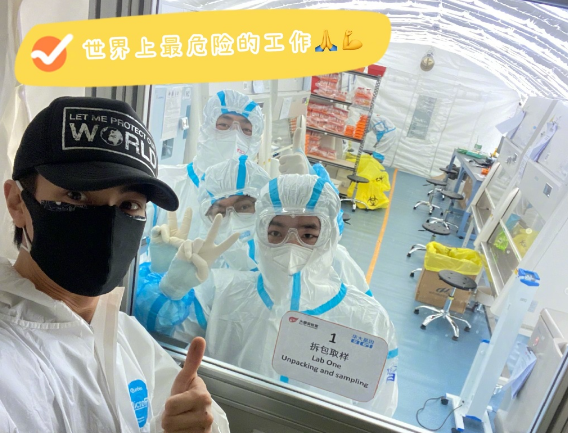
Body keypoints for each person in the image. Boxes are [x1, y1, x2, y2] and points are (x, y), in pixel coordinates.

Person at [0, 96, 230, 433]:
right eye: (76, 195)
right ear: (17, 203)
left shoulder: (124, 334)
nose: (106, 225)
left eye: (129, 204)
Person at [163, 174, 399, 416]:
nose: (291, 247)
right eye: (277, 233)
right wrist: (170, 290)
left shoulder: (369, 320)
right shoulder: (221, 291)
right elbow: (163, 355)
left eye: (308, 235)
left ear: (330, 237)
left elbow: (376, 413)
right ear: (260, 232)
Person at [144, 89, 264, 243]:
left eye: (246, 129)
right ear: (206, 129)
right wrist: (159, 257)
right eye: (224, 124)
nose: (234, 135)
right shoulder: (165, 183)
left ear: (255, 141)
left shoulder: (260, 196)